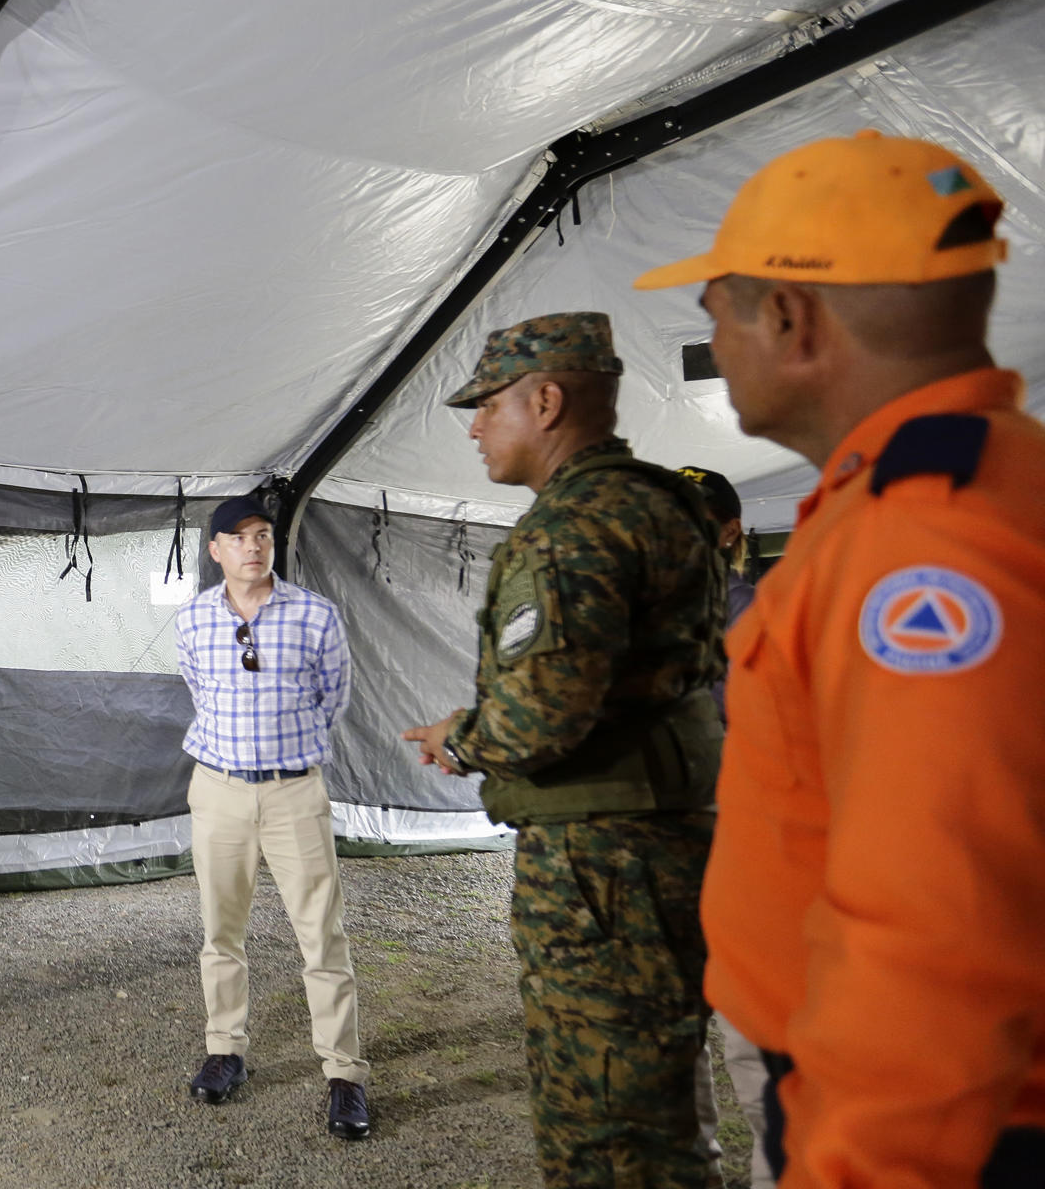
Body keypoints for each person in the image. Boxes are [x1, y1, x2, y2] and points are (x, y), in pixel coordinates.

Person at [635, 129, 1045, 1187]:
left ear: (790, 317)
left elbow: (934, 940)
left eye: (716, 311)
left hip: (945, 1135)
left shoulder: (921, 545)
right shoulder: (956, 489)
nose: (715, 346)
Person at [401, 312, 726, 1187]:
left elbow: (542, 717)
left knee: (609, 1132)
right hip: (654, 852)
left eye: (487, 407)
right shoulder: (664, 503)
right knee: (660, 1107)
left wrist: (463, 740)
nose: (474, 427)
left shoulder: (572, 527)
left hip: (602, 868)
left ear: (545, 401)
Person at [173, 496, 371, 1140]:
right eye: (238, 538)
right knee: (220, 932)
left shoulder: (315, 615)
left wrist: (284, 754)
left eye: (262, 536)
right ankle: (225, 1050)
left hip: (293, 793)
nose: (253, 547)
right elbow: (200, 690)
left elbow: (332, 698)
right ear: (216, 551)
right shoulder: (194, 619)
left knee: (322, 935)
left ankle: (344, 1073)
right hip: (219, 791)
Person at [677, 464, 772, 1189]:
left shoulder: (753, 620)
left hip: (734, 852)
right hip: (660, 860)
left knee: (753, 1042)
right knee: (672, 1052)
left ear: (728, 532)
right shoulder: (639, 620)